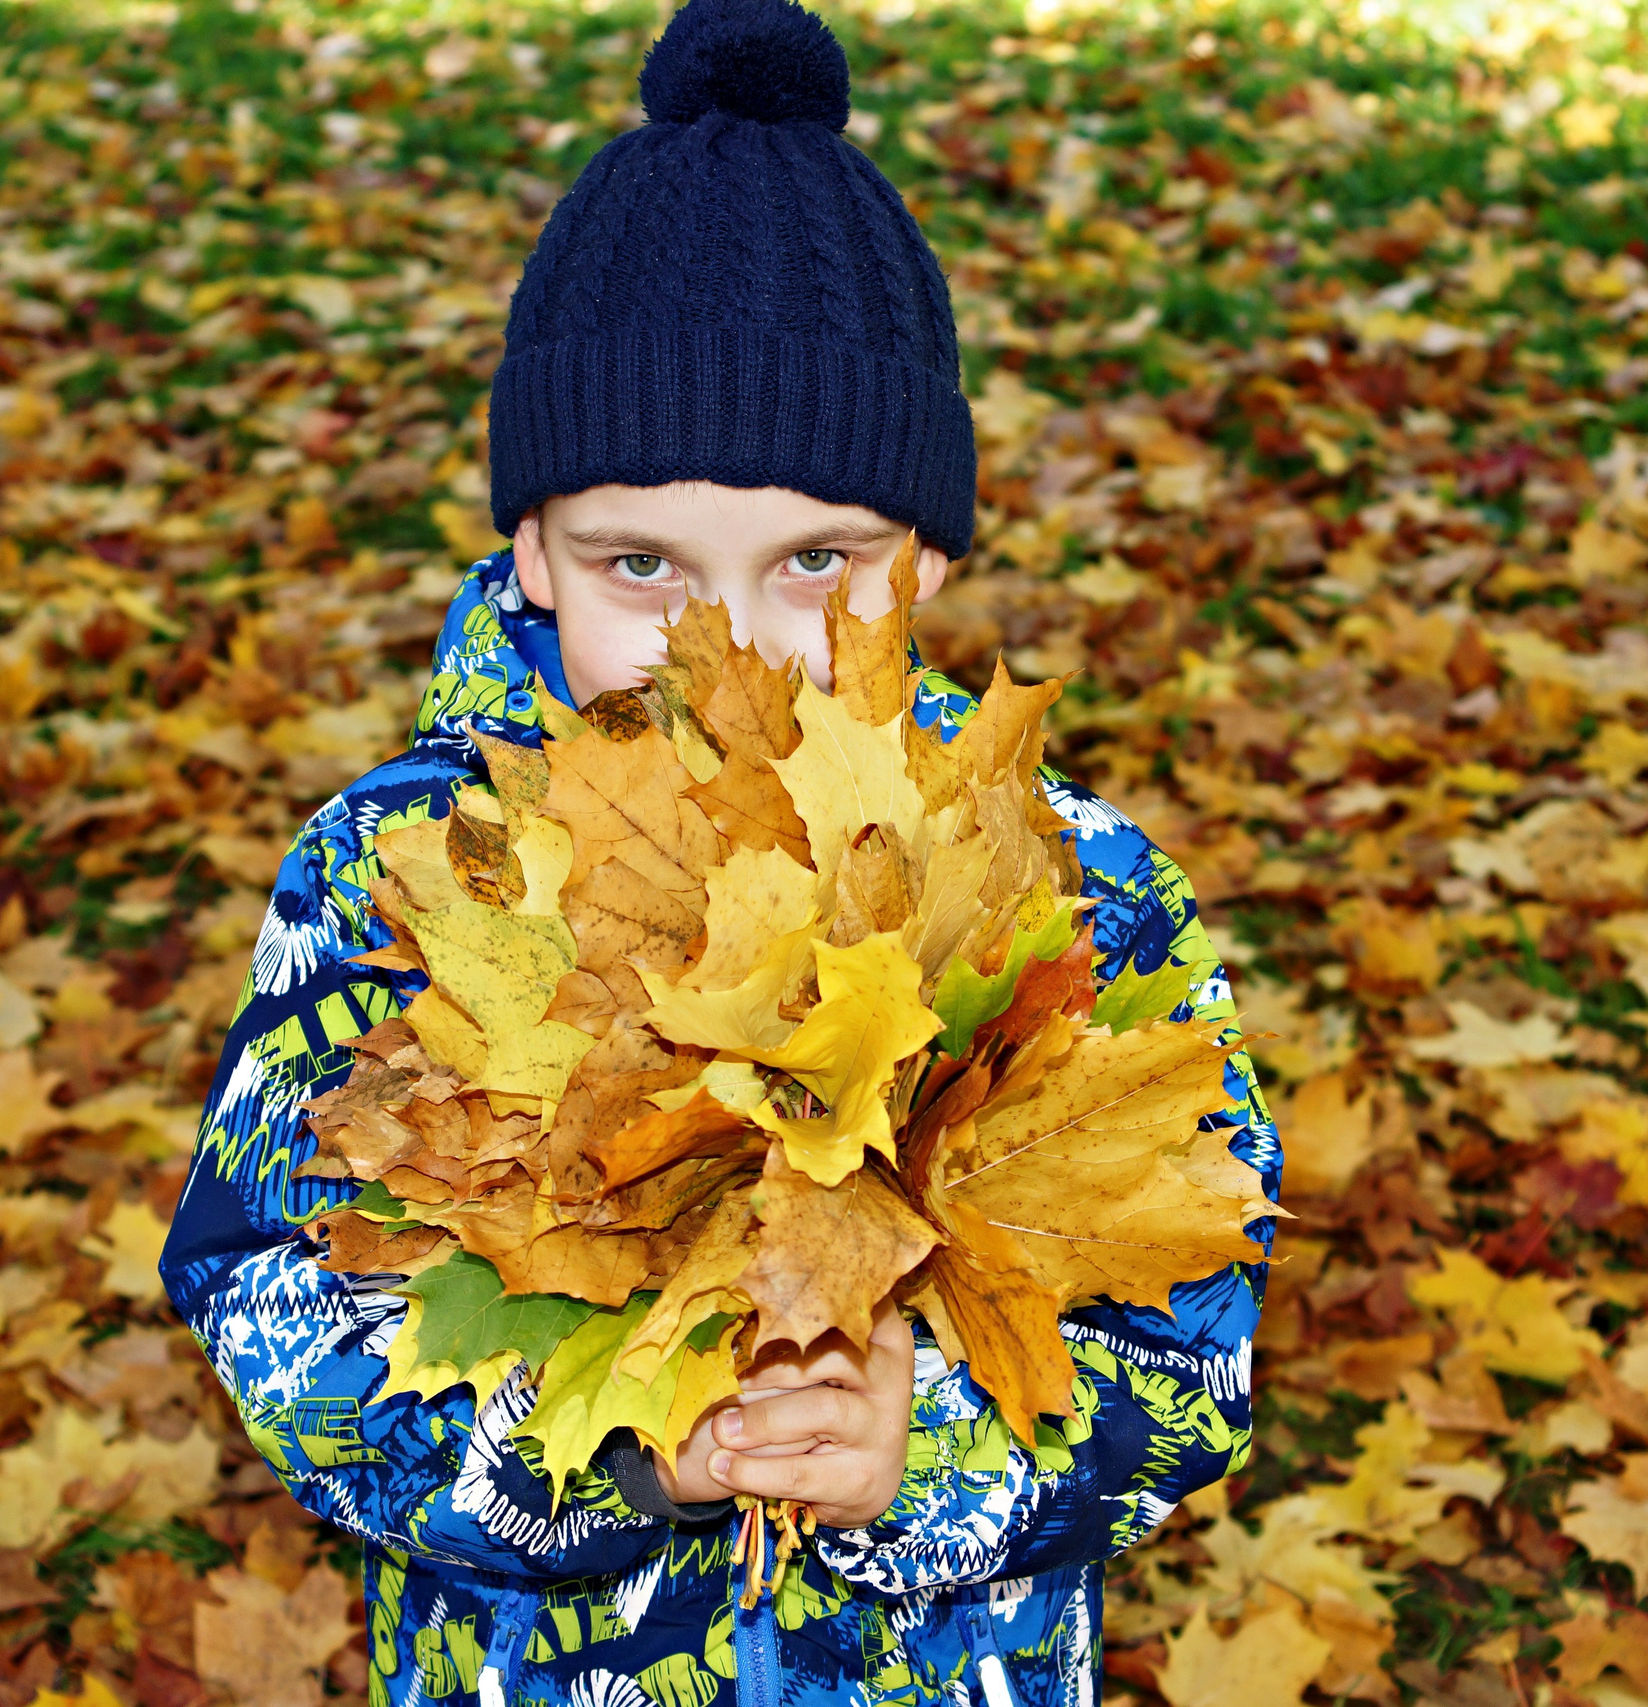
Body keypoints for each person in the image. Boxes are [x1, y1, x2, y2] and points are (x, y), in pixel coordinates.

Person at [158, 3, 1280, 1705]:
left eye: (819, 563)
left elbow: (1192, 1326)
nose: (729, 645)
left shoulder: (1068, 886)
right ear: (531, 549)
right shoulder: (409, 874)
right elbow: (269, 1290)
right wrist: (597, 1444)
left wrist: (938, 1447)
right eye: (643, 568)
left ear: (928, 558)